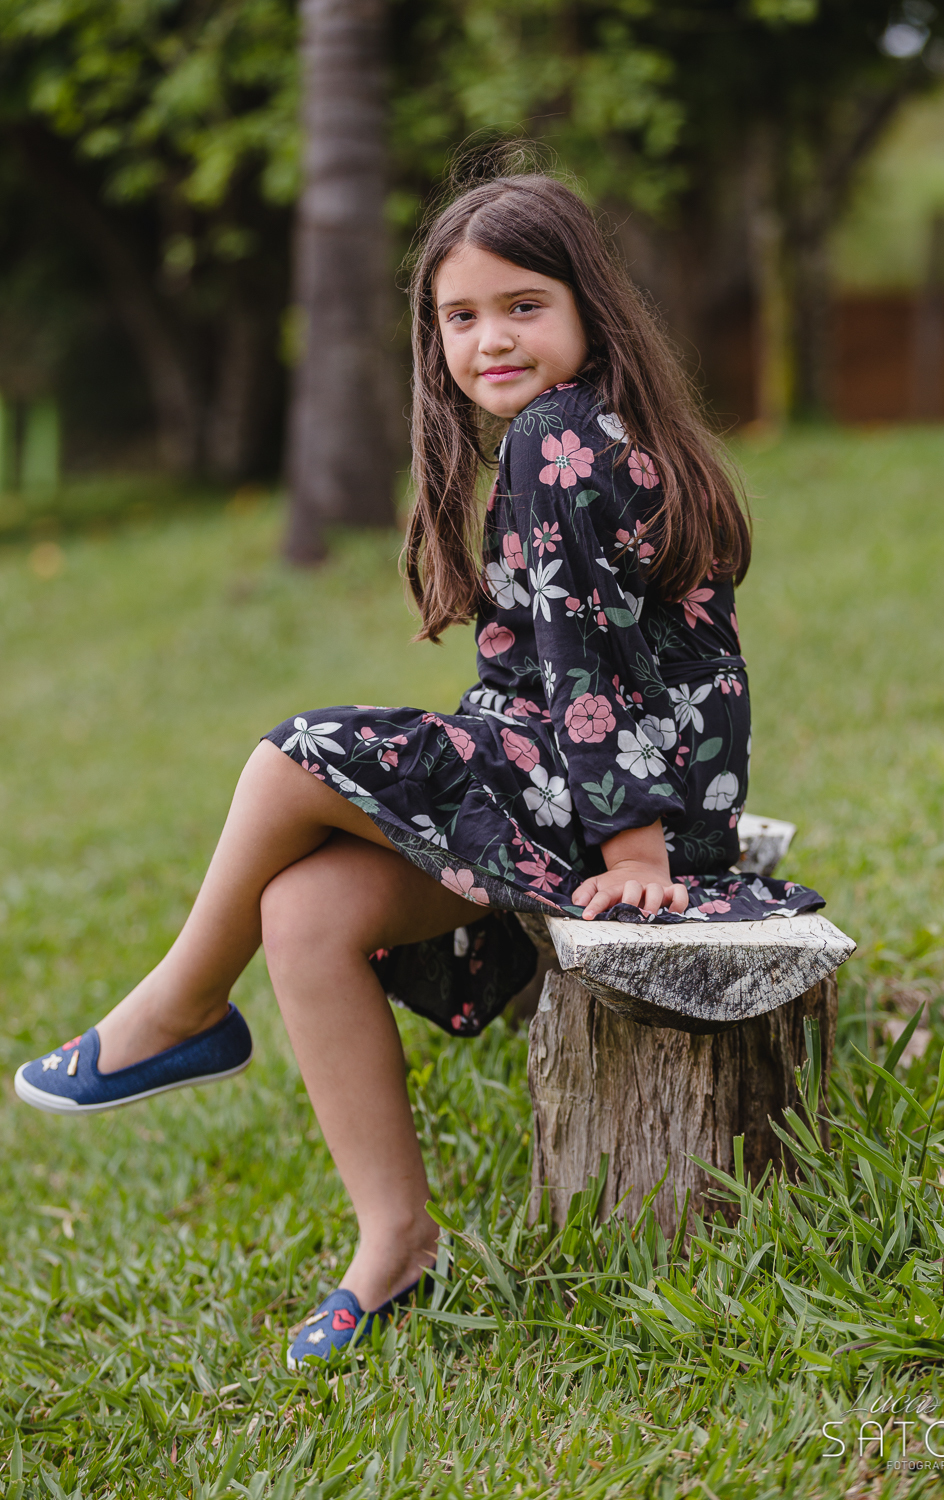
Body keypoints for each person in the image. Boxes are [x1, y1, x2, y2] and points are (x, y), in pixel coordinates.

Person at [14, 172, 822, 1364]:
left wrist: (635, 849)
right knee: (300, 909)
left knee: (296, 755)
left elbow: (591, 656)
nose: (489, 338)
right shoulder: (588, 430)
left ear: (590, 308)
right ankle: (394, 1240)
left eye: (522, 305)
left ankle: (180, 1007)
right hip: (593, 789)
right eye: (458, 315)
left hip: (619, 809)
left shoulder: (560, 438)